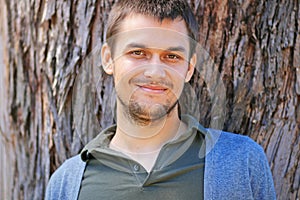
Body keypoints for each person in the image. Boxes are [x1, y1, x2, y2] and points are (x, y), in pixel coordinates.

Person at [45, 0, 276, 199]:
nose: (155, 72)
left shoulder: (241, 162)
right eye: (138, 53)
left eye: (171, 56)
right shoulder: (65, 184)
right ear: (108, 59)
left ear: (189, 68)